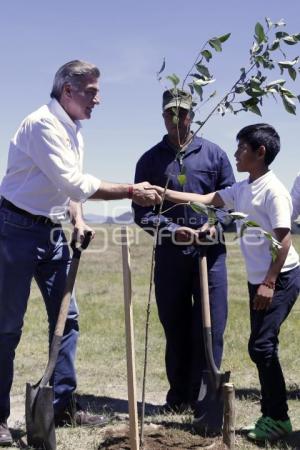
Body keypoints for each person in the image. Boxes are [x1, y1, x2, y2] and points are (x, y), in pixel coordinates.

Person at [0, 60, 161, 446]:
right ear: (67, 91)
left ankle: (61, 404)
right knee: (7, 327)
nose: (98, 99)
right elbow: (73, 180)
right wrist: (129, 190)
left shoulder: (74, 130)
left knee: (67, 319)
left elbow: (69, 190)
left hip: (52, 232)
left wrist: (79, 219)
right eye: (91, 91)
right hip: (15, 230)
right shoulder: (42, 125)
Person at [154, 123, 300, 442]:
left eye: (241, 148)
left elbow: (284, 240)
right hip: (259, 280)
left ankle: (277, 418)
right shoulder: (245, 187)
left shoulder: (273, 191)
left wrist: (269, 283)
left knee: (261, 346)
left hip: (280, 277)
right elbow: (206, 198)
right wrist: (163, 193)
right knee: (261, 347)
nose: (236, 153)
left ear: (260, 153)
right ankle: (272, 416)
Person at [133, 88, 235, 433]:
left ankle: (207, 400)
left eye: (184, 114)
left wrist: (214, 224)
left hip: (211, 255)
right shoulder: (150, 160)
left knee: (211, 328)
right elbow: (141, 212)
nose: (177, 120)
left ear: (192, 115)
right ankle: (179, 395)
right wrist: (170, 229)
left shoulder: (215, 155)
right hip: (171, 256)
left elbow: (232, 205)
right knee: (175, 326)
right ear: (163, 116)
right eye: (170, 114)